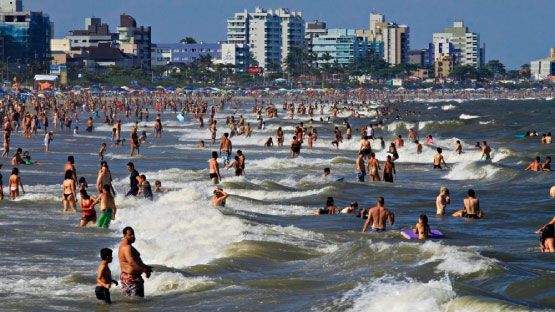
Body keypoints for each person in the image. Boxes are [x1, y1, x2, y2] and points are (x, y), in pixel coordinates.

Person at [118, 226, 153, 297]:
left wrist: (145, 267)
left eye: (133, 234)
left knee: (131, 302)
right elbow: (131, 262)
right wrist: (145, 270)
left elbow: (132, 261)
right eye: (130, 235)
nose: (133, 236)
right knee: (137, 303)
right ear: (124, 235)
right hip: (132, 279)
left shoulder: (124, 246)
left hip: (128, 277)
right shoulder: (127, 247)